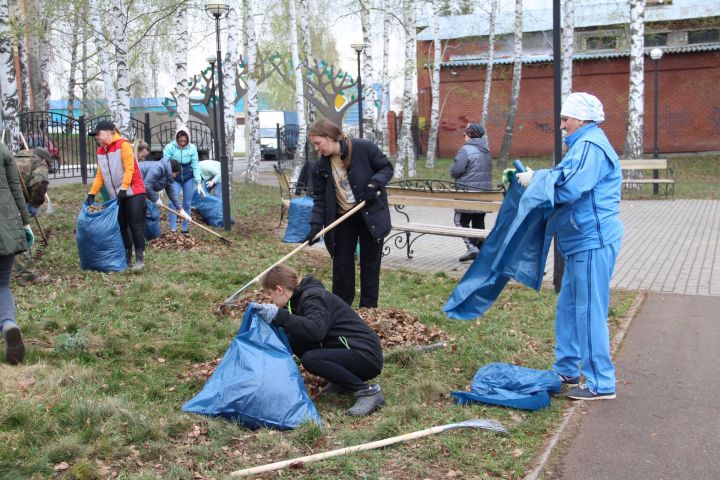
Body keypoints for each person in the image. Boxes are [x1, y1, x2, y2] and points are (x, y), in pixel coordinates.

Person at [517, 92, 623, 401]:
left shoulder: (590, 146)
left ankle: (601, 383)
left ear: (583, 119)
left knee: (589, 310)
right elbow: (565, 176)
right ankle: (566, 368)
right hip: (579, 239)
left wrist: (537, 179)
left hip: (593, 239)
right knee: (569, 307)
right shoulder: (582, 145)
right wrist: (540, 178)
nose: (562, 124)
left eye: (566, 119)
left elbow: (570, 186)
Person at [255, 264, 385, 416]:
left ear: (279, 289)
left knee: (311, 359)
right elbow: (299, 329)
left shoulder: (313, 297)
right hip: (350, 350)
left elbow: (315, 331)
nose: (271, 299)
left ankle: (368, 392)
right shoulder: (295, 301)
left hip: (365, 354)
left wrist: (280, 316)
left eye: (270, 293)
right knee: (294, 339)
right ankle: (342, 382)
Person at [305, 118, 393, 308]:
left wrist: (374, 184)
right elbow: (320, 199)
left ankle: (369, 310)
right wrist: (314, 226)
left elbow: (386, 167)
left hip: (370, 215)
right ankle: (341, 310)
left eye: (317, 143)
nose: (316, 149)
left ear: (330, 137)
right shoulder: (319, 167)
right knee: (342, 265)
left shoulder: (363, 148)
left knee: (370, 264)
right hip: (342, 218)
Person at [85, 120, 148, 271]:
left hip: (134, 192)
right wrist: (92, 193)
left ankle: (140, 259)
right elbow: (101, 174)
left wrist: (124, 187)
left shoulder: (123, 145)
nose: (97, 138)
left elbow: (130, 168)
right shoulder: (101, 151)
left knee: (135, 225)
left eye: (98, 134)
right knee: (122, 227)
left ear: (109, 132)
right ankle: (127, 258)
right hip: (118, 195)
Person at [1, 143, 34, 364]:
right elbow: (16, 188)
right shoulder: (2, 149)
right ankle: (8, 324)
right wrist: (25, 223)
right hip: (7, 226)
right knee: (2, 284)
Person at [449, 123, 493, 262]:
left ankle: (472, 248)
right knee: (478, 221)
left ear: (469, 135)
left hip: (467, 194)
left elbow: (455, 171)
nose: (464, 137)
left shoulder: (466, 150)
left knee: (460, 220)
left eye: (465, 134)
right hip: (483, 194)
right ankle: (482, 251)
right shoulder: (486, 150)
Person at [13, 147, 51, 285]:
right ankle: (26, 276)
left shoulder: (16, 157)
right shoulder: (40, 163)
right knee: (19, 234)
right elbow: (39, 185)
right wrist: (35, 204)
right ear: (45, 160)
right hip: (10, 200)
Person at [162, 126, 206, 234]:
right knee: (173, 202)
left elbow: (195, 165)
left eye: (185, 141)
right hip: (174, 177)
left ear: (188, 140)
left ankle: (184, 229)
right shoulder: (169, 147)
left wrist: (198, 182)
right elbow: (165, 164)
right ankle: (173, 229)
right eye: (180, 141)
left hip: (188, 177)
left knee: (187, 203)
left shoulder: (192, 148)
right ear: (176, 139)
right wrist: (164, 181)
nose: (182, 143)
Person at [139, 157, 191, 223]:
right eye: (175, 173)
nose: (175, 176)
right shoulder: (158, 168)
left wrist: (181, 210)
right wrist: (156, 199)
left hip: (139, 188)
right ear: (171, 170)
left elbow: (172, 193)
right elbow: (147, 185)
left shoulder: (167, 175)